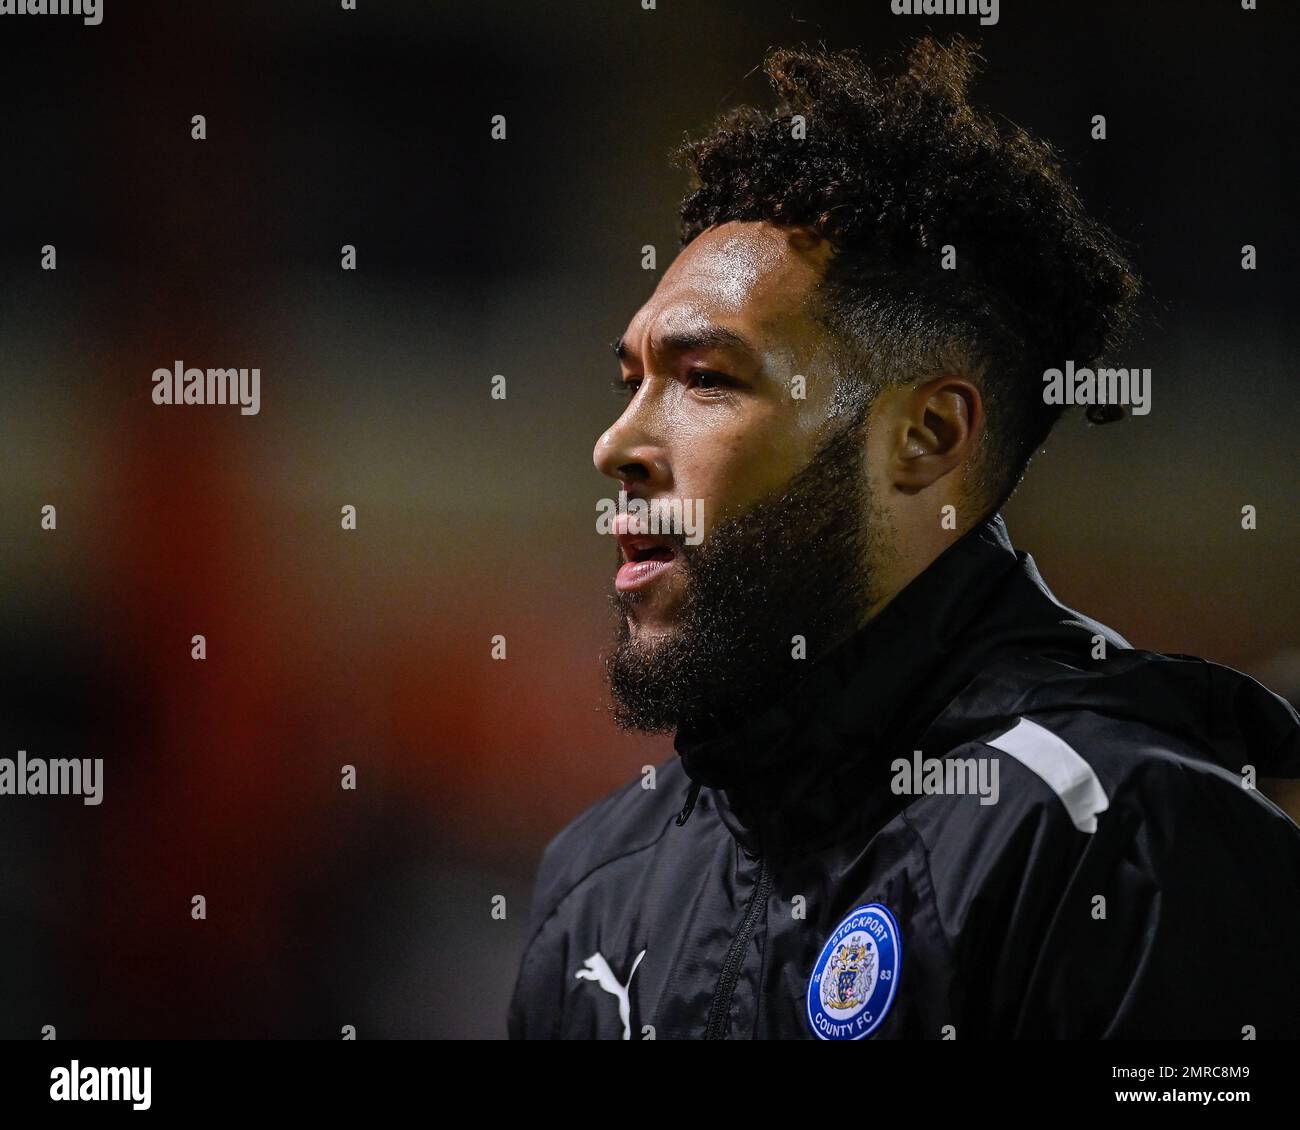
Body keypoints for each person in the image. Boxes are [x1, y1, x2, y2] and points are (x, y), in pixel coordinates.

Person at [507, 38, 1300, 1040]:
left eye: (705, 378)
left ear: (925, 436)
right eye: (632, 383)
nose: (615, 442)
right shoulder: (597, 883)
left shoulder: (1115, 845)